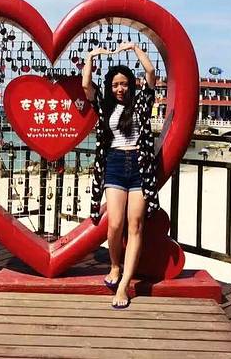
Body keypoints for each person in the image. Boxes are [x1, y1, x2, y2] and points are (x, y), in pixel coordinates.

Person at [82, 42, 157, 309]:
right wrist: (91, 56)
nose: (120, 89)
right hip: (114, 163)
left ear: (131, 84)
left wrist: (135, 47)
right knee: (114, 224)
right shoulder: (105, 105)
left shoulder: (141, 102)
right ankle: (115, 265)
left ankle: (124, 284)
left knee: (135, 225)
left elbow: (151, 73)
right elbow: (86, 85)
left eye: (124, 84)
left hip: (139, 165)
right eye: (115, 85)